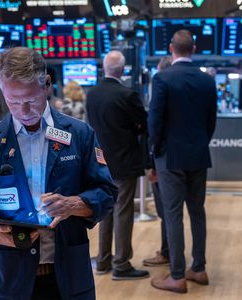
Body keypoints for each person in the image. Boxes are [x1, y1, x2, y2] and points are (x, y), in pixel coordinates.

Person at [0, 47, 117, 300]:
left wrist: (75, 204)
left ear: (47, 85)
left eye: (30, 100)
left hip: (68, 276)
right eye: (12, 101)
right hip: (9, 278)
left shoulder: (79, 135)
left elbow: (106, 192)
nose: (22, 110)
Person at [148, 30, 217, 294]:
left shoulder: (162, 79)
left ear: (171, 49)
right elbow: (211, 122)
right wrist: (200, 143)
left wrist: (155, 153)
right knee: (197, 212)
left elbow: (155, 122)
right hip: (199, 155)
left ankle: (177, 276)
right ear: (194, 48)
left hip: (171, 158)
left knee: (173, 214)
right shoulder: (207, 81)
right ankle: (198, 269)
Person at [86, 50, 149, 280]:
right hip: (125, 162)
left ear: (104, 68)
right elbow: (144, 123)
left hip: (100, 163)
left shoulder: (92, 94)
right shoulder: (127, 95)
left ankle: (103, 260)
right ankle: (121, 264)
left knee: (105, 211)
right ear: (123, 70)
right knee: (123, 211)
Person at [143, 56, 173, 267]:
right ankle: (171, 253)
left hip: (162, 163)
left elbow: (153, 133)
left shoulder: (160, 95)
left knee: (165, 212)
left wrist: (151, 165)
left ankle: (167, 253)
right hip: (186, 161)